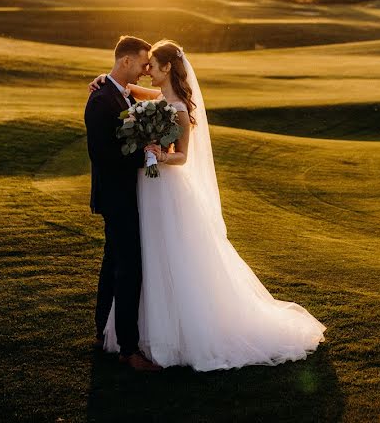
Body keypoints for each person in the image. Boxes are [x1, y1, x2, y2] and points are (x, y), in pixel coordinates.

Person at [89, 39, 326, 371]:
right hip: (144, 189)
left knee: (168, 254)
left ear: (166, 67)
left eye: (152, 66)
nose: (147, 71)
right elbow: (126, 89)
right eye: (144, 65)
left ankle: (172, 334)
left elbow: (181, 157)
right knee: (140, 257)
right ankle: (129, 335)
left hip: (164, 186)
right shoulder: (155, 98)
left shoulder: (180, 109)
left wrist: (159, 155)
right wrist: (104, 78)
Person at [84, 35, 162, 372]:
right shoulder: (103, 100)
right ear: (127, 61)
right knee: (128, 267)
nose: (146, 70)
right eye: (144, 63)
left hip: (120, 194)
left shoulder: (117, 92)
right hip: (116, 196)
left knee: (113, 261)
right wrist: (145, 155)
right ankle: (128, 350)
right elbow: (104, 155)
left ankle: (104, 331)